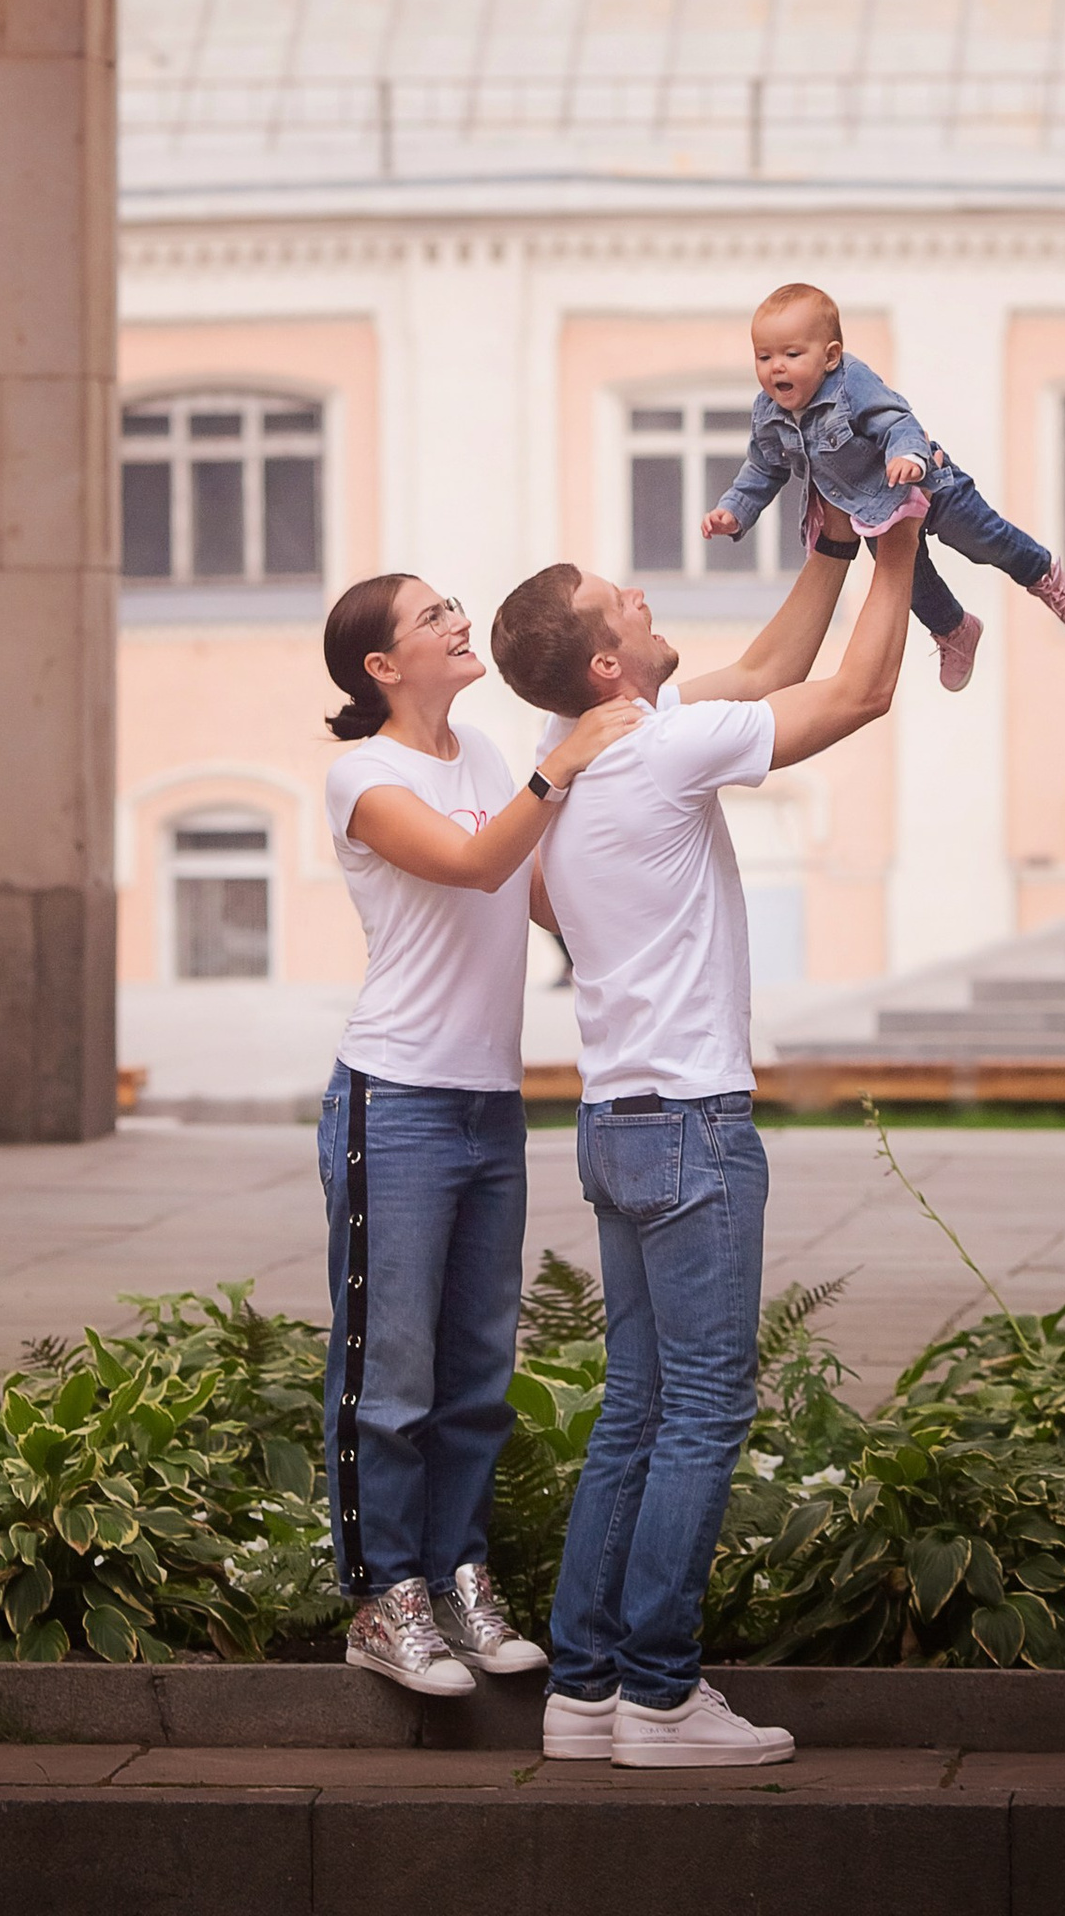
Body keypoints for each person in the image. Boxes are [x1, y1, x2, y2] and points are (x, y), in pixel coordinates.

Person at [488, 525, 920, 1769]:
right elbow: (854, 692)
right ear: (611, 666)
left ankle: (584, 1693)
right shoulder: (662, 751)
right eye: (618, 600)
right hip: (690, 1127)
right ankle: (663, 1700)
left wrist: (834, 546)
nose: (638, 593)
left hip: (615, 1124)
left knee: (636, 1411)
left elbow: (767, 664)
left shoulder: (572, 754)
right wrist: (899, 556)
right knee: (702, 1415)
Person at [315, 566, 645, 1693]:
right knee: (391, 1372)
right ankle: (382, 1596)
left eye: (453, 607)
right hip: (394, 1098)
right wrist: (566, 761)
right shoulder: (361, 775)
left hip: (486, 1099)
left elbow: (537, 887)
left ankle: (458, 1575)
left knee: (475, 1375)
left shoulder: (494, 760)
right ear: (381, 665)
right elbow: (470, 862)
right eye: (431, 617)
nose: (459, 622)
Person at [702, 277, 1065, 691]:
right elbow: (762, 469)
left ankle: (1041, 573)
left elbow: (896, 420)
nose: (775, 367)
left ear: (830, 356)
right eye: (763, 357)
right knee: (913, 587)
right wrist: (734, 511)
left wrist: (906, 456)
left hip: (926, 483)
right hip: (873, 509)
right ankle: (955, 630)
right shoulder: (767, 412)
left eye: (792, 354)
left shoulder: (851, 382)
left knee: (983, 539)